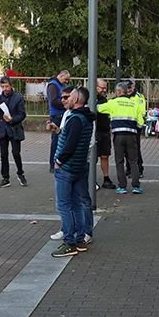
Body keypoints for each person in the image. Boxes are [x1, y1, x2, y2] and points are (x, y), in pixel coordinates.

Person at [51, 85, 96, 257]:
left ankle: (69, 242)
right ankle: (80, 239)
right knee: (77, 204)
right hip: (79, 167)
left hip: (67, 168)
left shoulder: (76, 119)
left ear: (76, 100)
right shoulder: (86, 118)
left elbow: (69, 145)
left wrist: (58, 161)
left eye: (69, 97)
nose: (67, 99)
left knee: (63, 205)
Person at [98, 81, 145, 194]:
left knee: (119, 161)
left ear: (119, 92)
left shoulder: (112, 103)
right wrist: (135, 129)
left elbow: (98, 108)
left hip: (118, 136)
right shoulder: (134, 104)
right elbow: (140, 122)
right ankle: (136, 186)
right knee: (133, 161)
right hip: (131, 136)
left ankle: (122, 186)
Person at [0, 76, 27, 187]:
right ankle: (5, 178)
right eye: (3, 87)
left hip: (14, 129)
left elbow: (22, 114)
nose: (5, 89)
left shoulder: (18, 98)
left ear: (11, 85)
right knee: (3, 155)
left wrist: (12, 120)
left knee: (16, 153)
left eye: (6, 86)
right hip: (3, 130)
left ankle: (20, 173)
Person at [45, 69, 70, 174]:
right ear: (61, 76)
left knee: (62, 139)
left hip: (61, 114)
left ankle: (59, 162)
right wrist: (66, 105)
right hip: (57, 115)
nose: (66, 82)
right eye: (66, 79)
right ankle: (53, 164)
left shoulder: (61, 85)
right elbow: (53, 101)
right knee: (56, 140)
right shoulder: (53, 85)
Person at [123, 79, 147, 179]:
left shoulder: (139, 97)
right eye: (126, 88)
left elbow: (141, 112)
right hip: (125, 125)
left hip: (135, 126)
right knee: (125, 149)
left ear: (133, 87)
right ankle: (129, 168)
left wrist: (138, 125)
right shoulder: (122, 96)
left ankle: (139, 169)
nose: (128, 90)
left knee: (135, 149)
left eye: (129, 87)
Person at [94, 79, 113, 189]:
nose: (104, 90)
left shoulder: (104, 99)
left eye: (105, 88)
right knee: (93, 157)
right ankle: (92, 179)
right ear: (96, 87)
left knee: (105, 155)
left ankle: (106, 178)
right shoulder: (90, 99)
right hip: (95, 131)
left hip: (105, 131)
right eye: (102, 88)